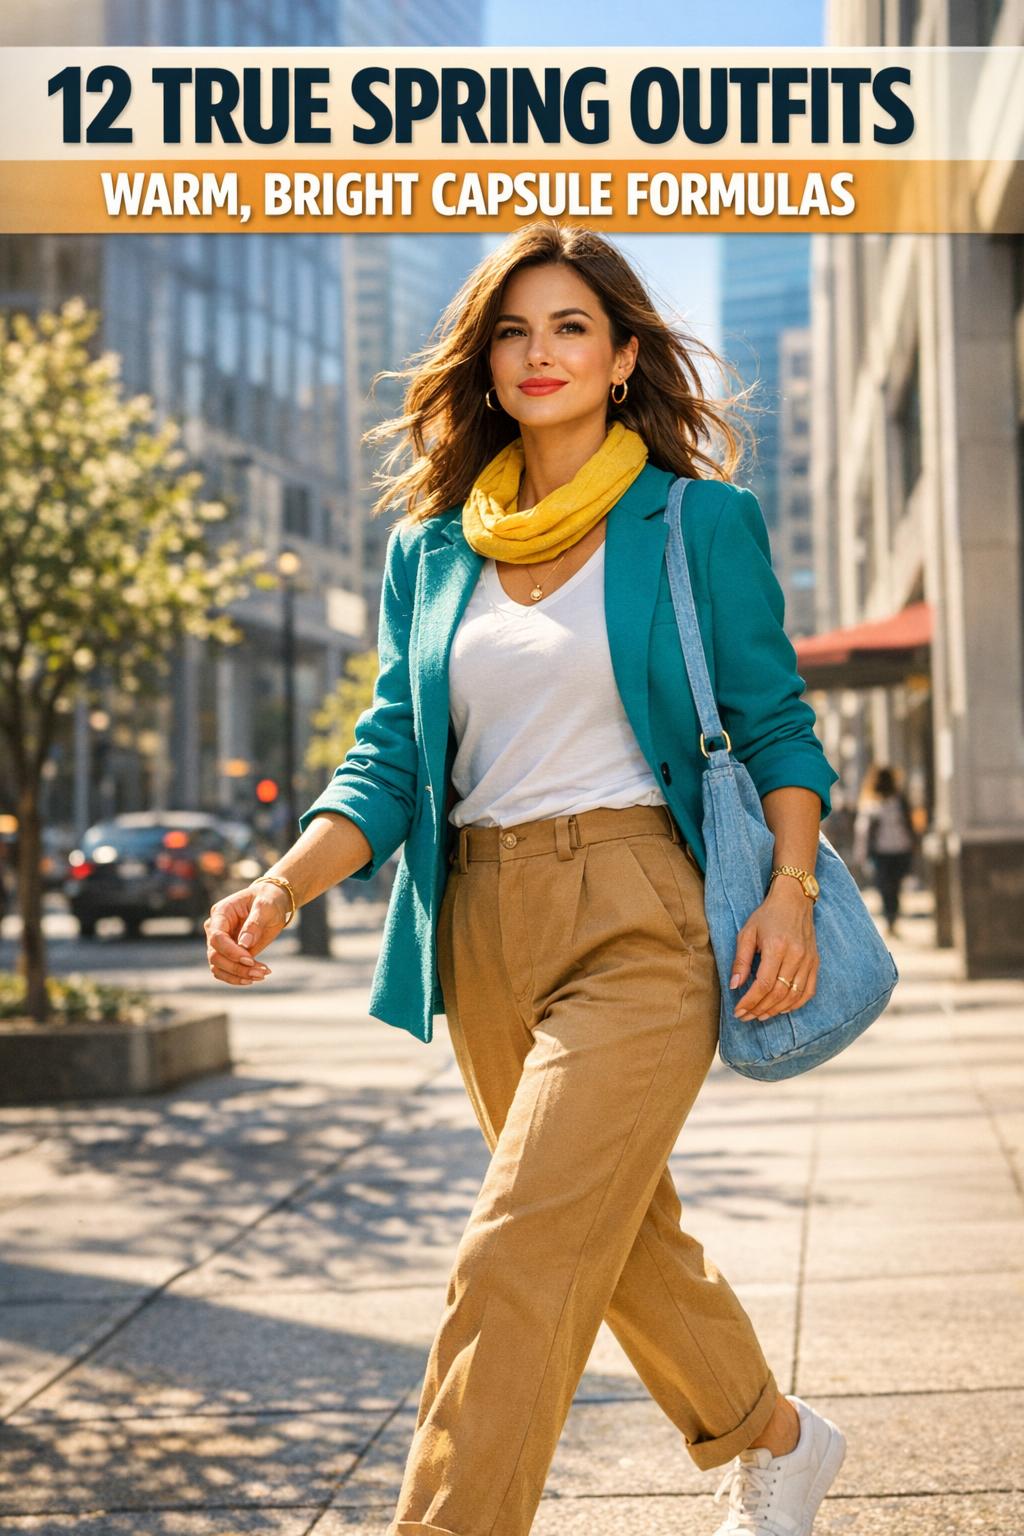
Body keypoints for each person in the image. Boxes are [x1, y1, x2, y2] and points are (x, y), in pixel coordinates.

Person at [204, 221, 847, 1536]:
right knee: (611, 1237)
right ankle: (776, 1438)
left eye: (570, 327)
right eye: (514, 330)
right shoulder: (434, 549)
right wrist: (281, 883)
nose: (539, 352)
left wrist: (790, 889)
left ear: (621, 359)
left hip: (644, 918)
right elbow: (391, 754)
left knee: (516, 1252)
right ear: (485, 363)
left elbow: (778, 725)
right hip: (483, 926)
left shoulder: (695, 522)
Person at [853, 764, 916, 937]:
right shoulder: (893, 802)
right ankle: (891, 919)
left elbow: (863, 832)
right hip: (896, 851)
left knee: (888, 887)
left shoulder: (876, 803)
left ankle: (891, 918)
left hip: (889, 852)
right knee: (890, 887)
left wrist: (861, 854)